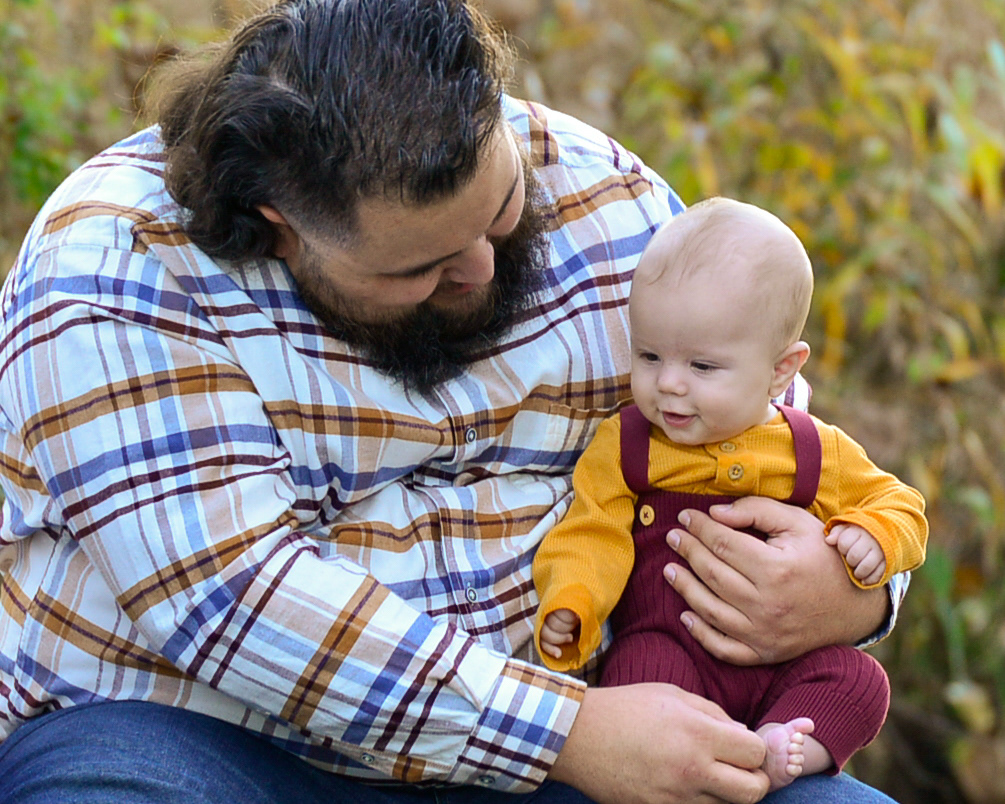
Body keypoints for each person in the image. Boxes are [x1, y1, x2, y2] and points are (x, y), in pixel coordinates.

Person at [0, 1, 904, 802]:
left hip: (602, 725)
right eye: (421, 266)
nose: (478, 266)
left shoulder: (610, 197)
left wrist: (852, 591)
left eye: (498, 208)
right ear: (281, 225)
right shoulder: (116, 269)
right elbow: (233, 602)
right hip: (209, 742)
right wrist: (567, 734)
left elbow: (767, 430)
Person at [533, 198, 928, 790]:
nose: (669, 382)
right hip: (672, 649)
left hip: (783, 666)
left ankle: (781, 744)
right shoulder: (627, 445)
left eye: (702, 366)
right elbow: (592, 531)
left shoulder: (811, 449)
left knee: (860, 682)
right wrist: (573, 600)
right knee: (639, 673)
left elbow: (900, 505)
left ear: (781, 370)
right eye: (649, 356)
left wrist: (875, 536)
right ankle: (703, 762)